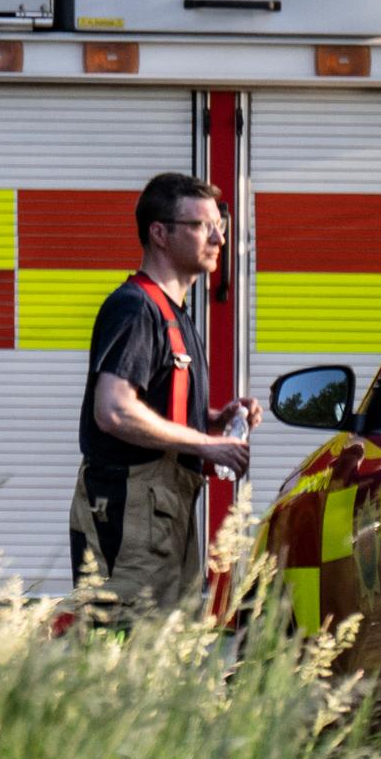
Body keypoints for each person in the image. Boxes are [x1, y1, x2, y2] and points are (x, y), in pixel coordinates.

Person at [74, 171, 255, 622]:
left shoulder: (173, 314)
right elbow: (114, 409)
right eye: (200, 226)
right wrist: (207, 444)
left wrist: (214, 419)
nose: (217, 237)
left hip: (162, 516)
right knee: (126, 648)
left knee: (166, 653)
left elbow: (151, 408)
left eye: (221, 226)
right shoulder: (136, 308)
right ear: (160, 233)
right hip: (132, 515)